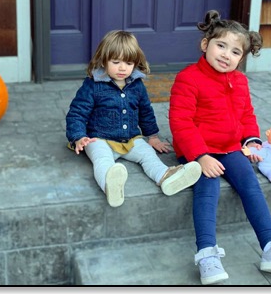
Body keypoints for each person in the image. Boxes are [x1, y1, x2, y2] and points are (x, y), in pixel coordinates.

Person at [169, 10, 271, 285]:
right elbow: (180, 121)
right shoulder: (188, 78)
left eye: (235, 52)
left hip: (230, 147)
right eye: (220, 45)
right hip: (199, 148)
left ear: (241, 58)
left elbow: (247, 114)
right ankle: (207, 254)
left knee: (249, 183)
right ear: (205, 45)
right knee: (208, 188)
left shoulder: (240, 81)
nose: (226, 55)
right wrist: (200, 156)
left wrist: (251, 139)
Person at [66, 30, 202, 208]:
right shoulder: (93, 85)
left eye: (128, 63)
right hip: (98, 138)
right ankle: (111, 185)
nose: (122, 68)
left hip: (130, 138)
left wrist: (152, 136)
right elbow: (77, 112)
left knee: (147, 155)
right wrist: (79, 137)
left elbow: (145, 111)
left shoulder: (137, 85)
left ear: (135, 63)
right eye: (116, 62)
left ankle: (166, 177)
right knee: (101, 159)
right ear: (103, 60)